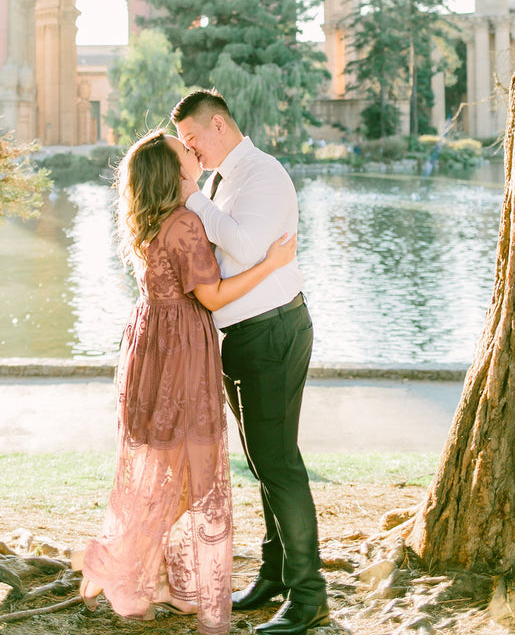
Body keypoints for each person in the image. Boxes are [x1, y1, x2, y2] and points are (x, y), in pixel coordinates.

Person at [77, 130, 297, 635]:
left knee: (164, 464)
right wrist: (272, 263)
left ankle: (149, 574)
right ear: (170, 172)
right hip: (179, 350)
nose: (192, 151)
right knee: (187, 471)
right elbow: (214, 297)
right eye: (182, 151)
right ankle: (117, 562)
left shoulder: (151, 220)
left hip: (152, 342)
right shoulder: (185, 224)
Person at [173, 91, 329, 635]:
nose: (192, 153)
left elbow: (240, 245)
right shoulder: (222, 180)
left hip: (273, 331)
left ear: (219, 124)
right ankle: (275, 576)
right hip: (244, 334)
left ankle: (310, 595)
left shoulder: (262, 174)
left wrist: (191, 199)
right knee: (264, 463)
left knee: (279, 464)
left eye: (194, 141)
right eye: (186, 148)